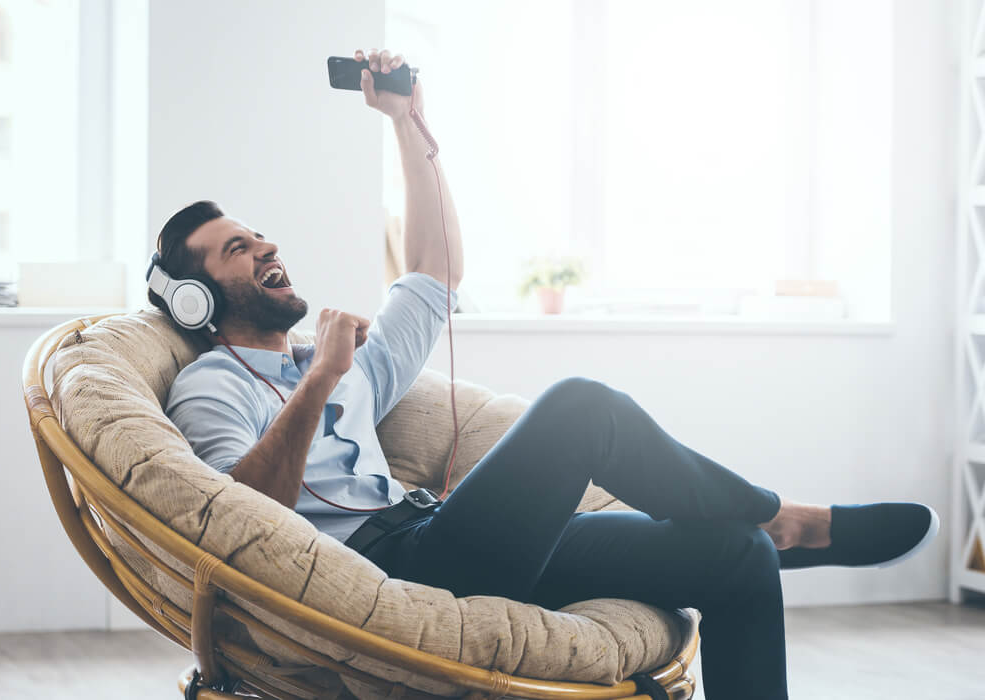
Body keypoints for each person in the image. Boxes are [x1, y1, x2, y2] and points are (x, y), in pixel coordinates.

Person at [156, 49, 939, 700]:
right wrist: (320, 380)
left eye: (257, 235)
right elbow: (242, 518)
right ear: (197, 299)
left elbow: (433, 270)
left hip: (436, 533)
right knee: (580, 406)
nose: (263, 247)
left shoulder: (340, 363)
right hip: (392, 575)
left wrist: (407, 122)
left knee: (736, 560)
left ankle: (763, 531)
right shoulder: (210, 385)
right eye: (236, 249)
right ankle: (783, 517)